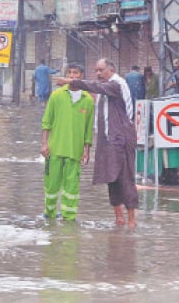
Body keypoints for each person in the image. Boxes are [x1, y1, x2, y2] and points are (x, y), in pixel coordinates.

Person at [56, 58, 139, 228]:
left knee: (125, 179)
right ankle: (119, 219)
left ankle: (131, 221)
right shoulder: (105, 88)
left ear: (111, 69)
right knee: (111, 178)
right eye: (96, 71)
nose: (98, 74)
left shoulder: (116, 84)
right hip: (108, 140)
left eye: (101, 70)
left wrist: (71, 82)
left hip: (121, 140)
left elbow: (96, 86)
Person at [41, 62, 95, 221]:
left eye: (76, 73)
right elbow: (46, 122)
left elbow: (88, 129)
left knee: (71, 187)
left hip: (74, 151)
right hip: (54, 149)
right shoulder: (56, 96)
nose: (72, 76)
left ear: (82, 76)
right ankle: (49, 214)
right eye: (69, 73)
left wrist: (86, 150)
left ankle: (69, 218)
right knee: (51, 185)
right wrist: (44, 144)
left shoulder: (88, 100)